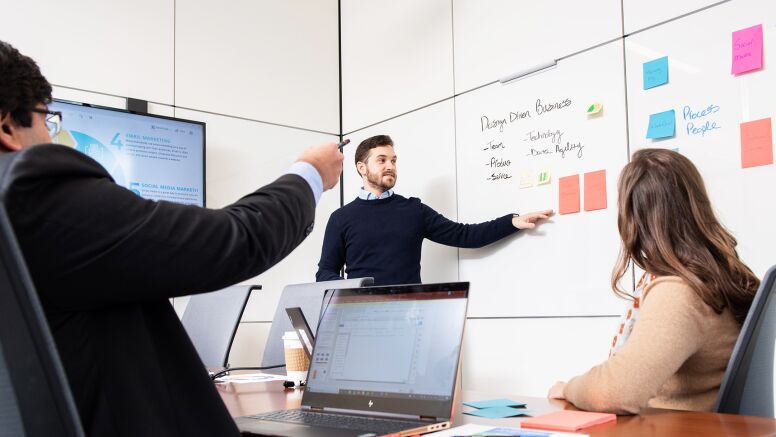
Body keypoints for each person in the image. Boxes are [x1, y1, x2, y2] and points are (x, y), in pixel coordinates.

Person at [0, 40, 344, 437]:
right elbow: (233, 240)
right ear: (9, 125)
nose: (59, 137)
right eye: (48, 119)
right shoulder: (28, 189)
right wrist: (310, 174)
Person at [547, 148, 759, 414]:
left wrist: (569, 388)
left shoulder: (681, 291)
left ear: (634, 219)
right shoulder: (728, 275)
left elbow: (616, 392)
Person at [316, 134, 553, 285]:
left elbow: (465, 235)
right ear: (362, 168)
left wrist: (512, 222)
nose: (391, 166)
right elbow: (324, 273)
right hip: (360, 319)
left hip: (410, 315)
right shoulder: (341, 218)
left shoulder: (413, 210)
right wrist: (354, 290)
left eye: (394, 160)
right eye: (382, 160)